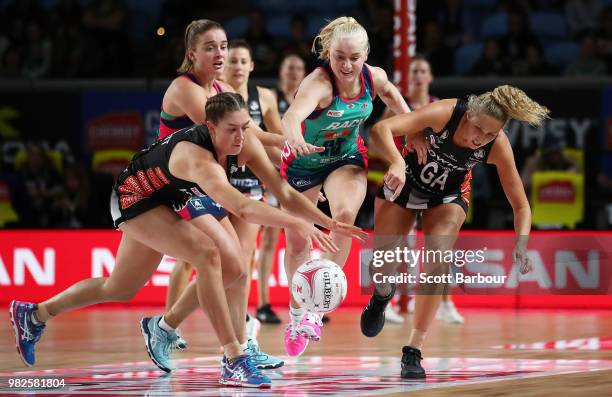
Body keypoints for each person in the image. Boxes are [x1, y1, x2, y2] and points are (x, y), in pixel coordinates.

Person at [10, 93, 366, 388]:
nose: (241, 137)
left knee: (143, 283)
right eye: (232, 130)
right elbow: (242, 207)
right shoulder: (199, 161)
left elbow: (284, 194)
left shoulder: (244, 142)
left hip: (172, 193)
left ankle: (35, 314)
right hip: (136, 197)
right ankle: (233, 357)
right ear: (210, 128)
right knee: (203, 256)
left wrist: (323, 220)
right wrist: (298, 224)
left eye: (245, 128)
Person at [360, 85, 548, 379]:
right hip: (406, 181)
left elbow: (521, 205)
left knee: (438, 258)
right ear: (469, 114)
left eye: (489, 134)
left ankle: (414, 350)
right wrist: (396, 160)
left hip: (447, 197)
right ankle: (382, 295)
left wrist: (521, 244)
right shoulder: (444, 112)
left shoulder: (497, 145)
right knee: (382, 265)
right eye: (478, 130)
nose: (480, 139)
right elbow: (381, 130)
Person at [280, 16, 412, 357]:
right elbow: (291, 117)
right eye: (339, 56)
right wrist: (295, 140)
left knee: (343, 216)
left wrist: (414, 129)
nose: (347, 64)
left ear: (366, 54)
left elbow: (395, 100)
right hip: (303, 162)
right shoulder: (319, 84)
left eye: (354, 57)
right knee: (297, 241)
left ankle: (314, 311)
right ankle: (296, 315)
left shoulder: (375, 77)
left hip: (346, 158)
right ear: (328, 53)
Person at [158, 20, 283, 351]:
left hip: (203, 187)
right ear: (192, 53)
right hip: (170, 188)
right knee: (204, 261)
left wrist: (291, 147)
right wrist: (286, 145)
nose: (221, 54)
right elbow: (236, 134)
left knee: (238, 266)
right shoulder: (186, 88)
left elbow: (252, 136)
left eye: (223, 47)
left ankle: (237, 345)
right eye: (211, 47)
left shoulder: (222, 92)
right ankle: (170, 329)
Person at [381, 55, 464, 325]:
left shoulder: (438, 108)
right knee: (395, 243)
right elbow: (378, 140)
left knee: (440, 244)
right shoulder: (395, 106)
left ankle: (446, 303)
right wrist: (396, 160)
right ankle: (387, 302)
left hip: (436, 183)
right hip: (405, 180)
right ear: (408, 76)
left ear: (429, 77)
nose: (418, 75)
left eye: (422, 71)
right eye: (414, 70)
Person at [223, 39, 283, 325]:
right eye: (232, 60)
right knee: (199, 261)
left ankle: (241, 327)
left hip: (249, 187)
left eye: (242, 61)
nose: (237, 66)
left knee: (243, 263)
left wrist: (294, 175)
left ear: (251, 65)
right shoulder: (213, 96)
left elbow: (277, 147)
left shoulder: (265, 98)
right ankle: (169, 325)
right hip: (215, 187)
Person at [254, 53, 308, 324]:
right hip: (272, 175)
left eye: (299, 67)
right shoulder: (270, 99)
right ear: (281, 71)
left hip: (299, 176)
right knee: (269, 241)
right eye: (290, 67)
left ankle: (299, 302)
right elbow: (269, 140)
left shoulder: (310, 99)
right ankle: (263, 303)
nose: (295, 72)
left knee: (298, 239)